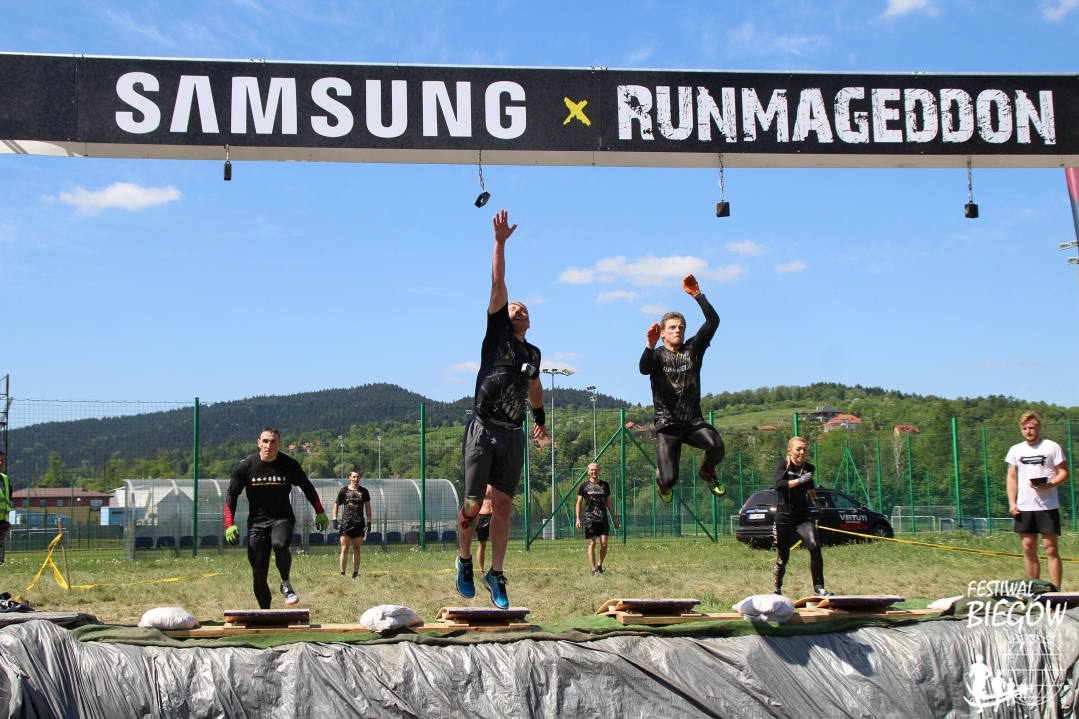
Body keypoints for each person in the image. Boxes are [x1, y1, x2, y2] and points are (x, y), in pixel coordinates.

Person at [456, 208, 548, 609]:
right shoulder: (496, 334)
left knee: (505, 505)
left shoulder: (533, 353)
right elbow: (498, 282)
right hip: (483, 428)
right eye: (514, 307)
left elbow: (535, 389)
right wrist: (499, 243)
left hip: (513, 434)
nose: (518, 310)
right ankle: (464, 561)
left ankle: (495, 573)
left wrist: (539, 420)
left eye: (524, 309)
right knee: (473, 504)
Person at [639, 274, 726, 503]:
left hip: (692, 422)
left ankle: (707, 472)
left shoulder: (693, 349)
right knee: (669, 480)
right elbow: (644, 369)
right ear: (663, 333)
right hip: (667, 426)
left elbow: (713, 322)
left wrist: (698, 295)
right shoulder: (657, 354)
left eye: (680, 327)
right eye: (672, 327)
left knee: (717, 446)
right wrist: (650, 345)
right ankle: (661, 481)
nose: (677, 330)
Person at [224, 427, 329, 608]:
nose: (269, 445)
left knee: (280, 544)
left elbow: (307, 487)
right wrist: (229, 524)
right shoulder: (247, 466)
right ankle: (265, 613)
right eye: (265, 441)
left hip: (282, 518)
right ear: (258, 443)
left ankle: (285, 583)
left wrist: (320, 512)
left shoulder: (289, 464)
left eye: (273, 442)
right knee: (259, 573)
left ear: (279, 444)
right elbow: (232, 494)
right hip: (257, 522)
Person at [1007, 411, 1069, 589]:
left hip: (1047, 506)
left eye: (1032, 428)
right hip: (1024, 507)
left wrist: (1050, 485)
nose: (1028, 431)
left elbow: (1064, 472)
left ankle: (1056, 591)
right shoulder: (1016, 450)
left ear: (1039, 428)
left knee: (1051, 548)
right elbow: (1011, 477)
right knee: (1028, 547)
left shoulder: (1051, 447)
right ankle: (1034, 589)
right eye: (1025, 428)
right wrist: (1012, 502)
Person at [772, 436, 833, 597]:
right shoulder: (783, 465)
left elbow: (810, 485)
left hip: (802, 517)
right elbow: (778, 485)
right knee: (783, 557)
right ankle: (777, 588)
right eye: (798, 449)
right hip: (784, 518)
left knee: (815, 546)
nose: (802, 452)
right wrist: (799, 481)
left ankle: (819, 588)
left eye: (804, 449)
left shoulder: (809, 468)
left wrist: (815, 501)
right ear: (790, 451)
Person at [575, 463, 620, 575]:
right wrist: (578, 518)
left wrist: (614, 518)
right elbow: (579, 503)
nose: (594, 471)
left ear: (599, 470)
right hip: (590, 518)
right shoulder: (584, 486)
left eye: (595, 469)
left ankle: (599, 565)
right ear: (588, 472)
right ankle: (594, 569)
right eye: (592, 470)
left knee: (604, 543)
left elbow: (609, 502)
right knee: (592, 543)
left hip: (603, 517)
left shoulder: (605, 485)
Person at [333, 471, 372, 579]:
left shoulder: (364, 491)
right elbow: (336, 505)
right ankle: (342, 573)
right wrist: (335, 519)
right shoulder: (344, 491)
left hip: (359, 524)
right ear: (350, 477)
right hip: (346, 524)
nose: (356, 479)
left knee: (357, 548)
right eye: (354, 477)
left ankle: (355, 573)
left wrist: (369, 522)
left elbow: (368, 508)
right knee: (344, 548)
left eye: (358, 477)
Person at [474, 486, 494, 574]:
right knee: (482, 544)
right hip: (482, 516)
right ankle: (481, 569)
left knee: (497, 544)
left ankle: (496, 568)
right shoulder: (481, 484)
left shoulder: (498, 484)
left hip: (495, 516)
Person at [0, 450, 9, 565]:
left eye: (2, 460)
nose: (0, 463)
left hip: (2, 523)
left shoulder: (5, 478)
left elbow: (7, 500)